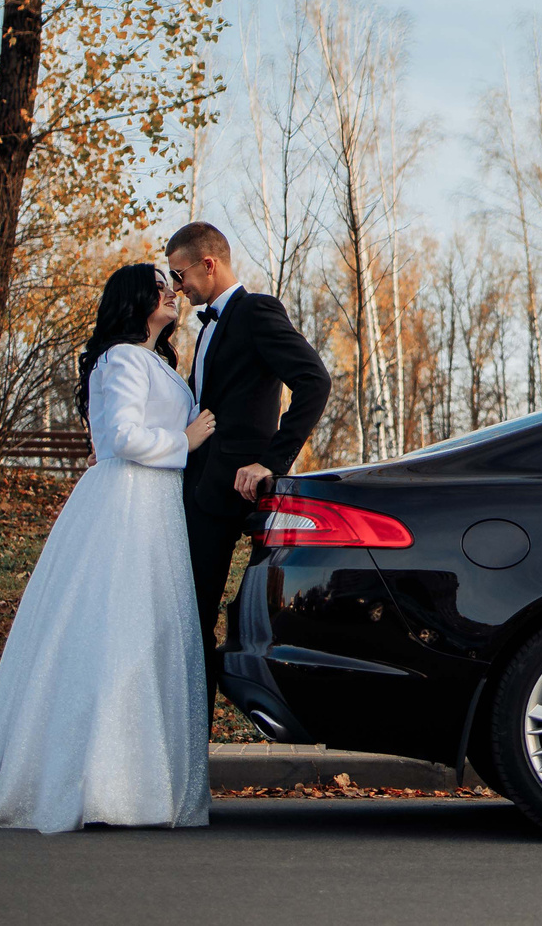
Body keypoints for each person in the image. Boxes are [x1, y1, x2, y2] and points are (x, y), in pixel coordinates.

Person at [0, 264, 216, 833]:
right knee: (116, 632)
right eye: (161, 287)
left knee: (148, 637)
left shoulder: (157, 361)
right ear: (136, 300)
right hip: (127, 506)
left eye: (173, 285)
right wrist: (183, 442)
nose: (172, 292)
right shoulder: (119, 358)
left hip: (157, 508)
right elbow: (119, 438)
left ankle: (138, 783)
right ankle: (96, 783)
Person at [165, 220, 331, 717]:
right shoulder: (208, 326)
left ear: (208, 264)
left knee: (204, 618)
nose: (179, 287)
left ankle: (192, 746)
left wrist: (272, 462)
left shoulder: (255, 311)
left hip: (233, 492)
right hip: (200, 490)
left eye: (181, 274)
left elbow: (313, 381)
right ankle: (186, 745)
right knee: (189, 618)